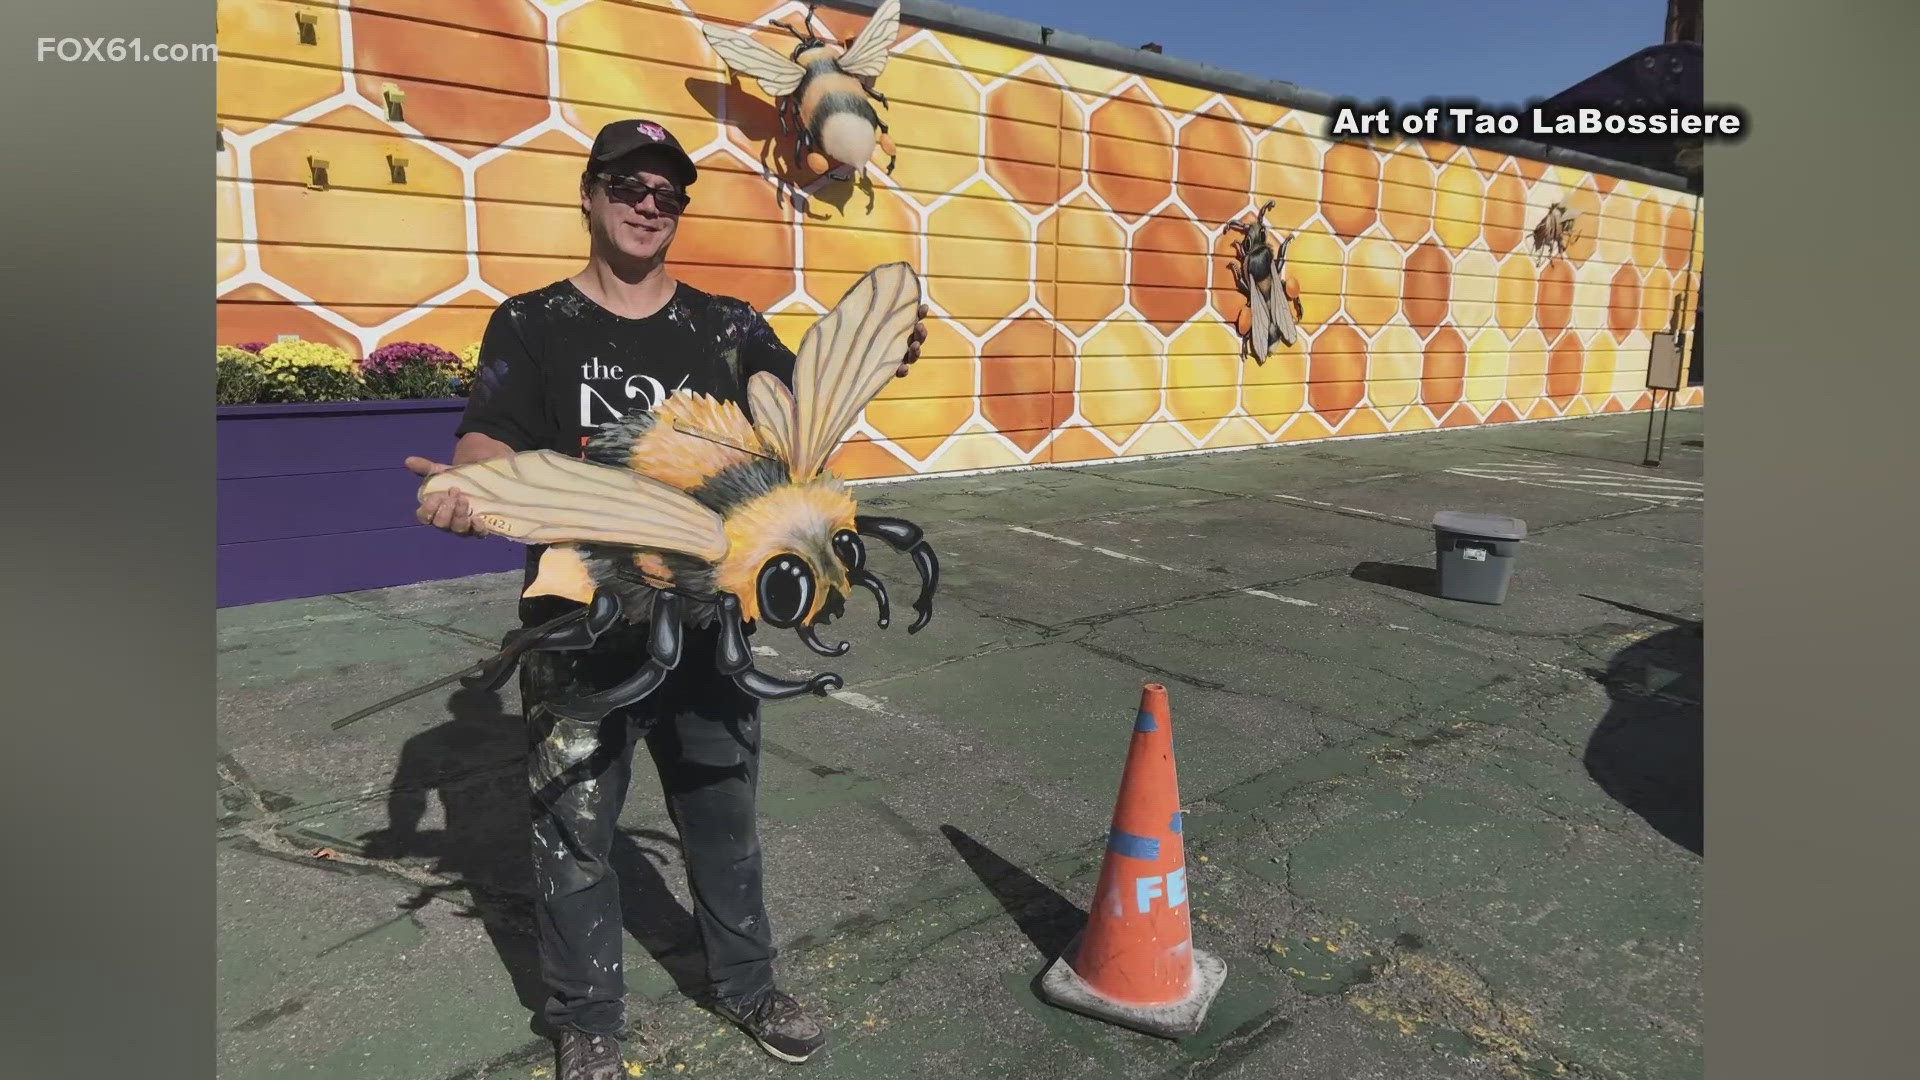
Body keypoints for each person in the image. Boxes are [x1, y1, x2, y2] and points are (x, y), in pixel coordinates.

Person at [403, 118, 925, 1080]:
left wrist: (867, 366)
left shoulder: (726, 325)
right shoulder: (532, 322)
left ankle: (748, 983)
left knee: (723, 818)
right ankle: (587, 1016)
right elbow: (489, 436)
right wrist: (468, 489)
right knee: (574, 828)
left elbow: (796, 402)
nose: (649, 205)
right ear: (590, 193)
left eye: (667, 193)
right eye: (628, 186)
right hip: (578, 622)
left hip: (708, 626)